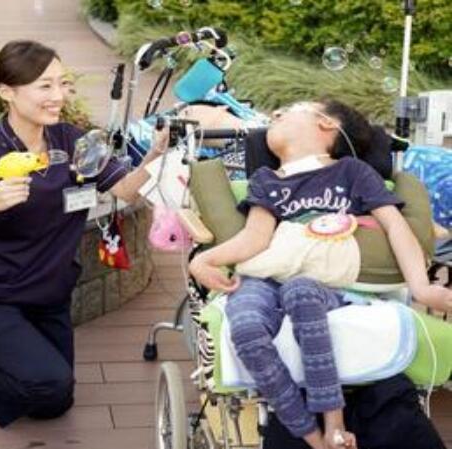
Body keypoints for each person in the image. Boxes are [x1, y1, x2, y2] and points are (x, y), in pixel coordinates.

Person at [0, 40, 169, 436]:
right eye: (44, 86)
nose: (58, 96)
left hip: (47, 298)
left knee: (55, 402)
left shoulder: (71, 141)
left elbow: (125, 190)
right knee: (48, 381)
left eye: (63, 84)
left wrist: (155, 156)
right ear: (7, 91)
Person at [188, 99, 452, 449]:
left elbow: (396, 227)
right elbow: (254, 239)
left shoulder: (352, 173)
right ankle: (312, 438)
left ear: (326, 124)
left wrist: (421, 286)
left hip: (322, 281)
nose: (277, 114)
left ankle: (335, 423)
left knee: (301, 291)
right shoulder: (266, 181)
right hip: (265, 278)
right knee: (247, 326)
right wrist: (203, 261)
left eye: (292, 109)